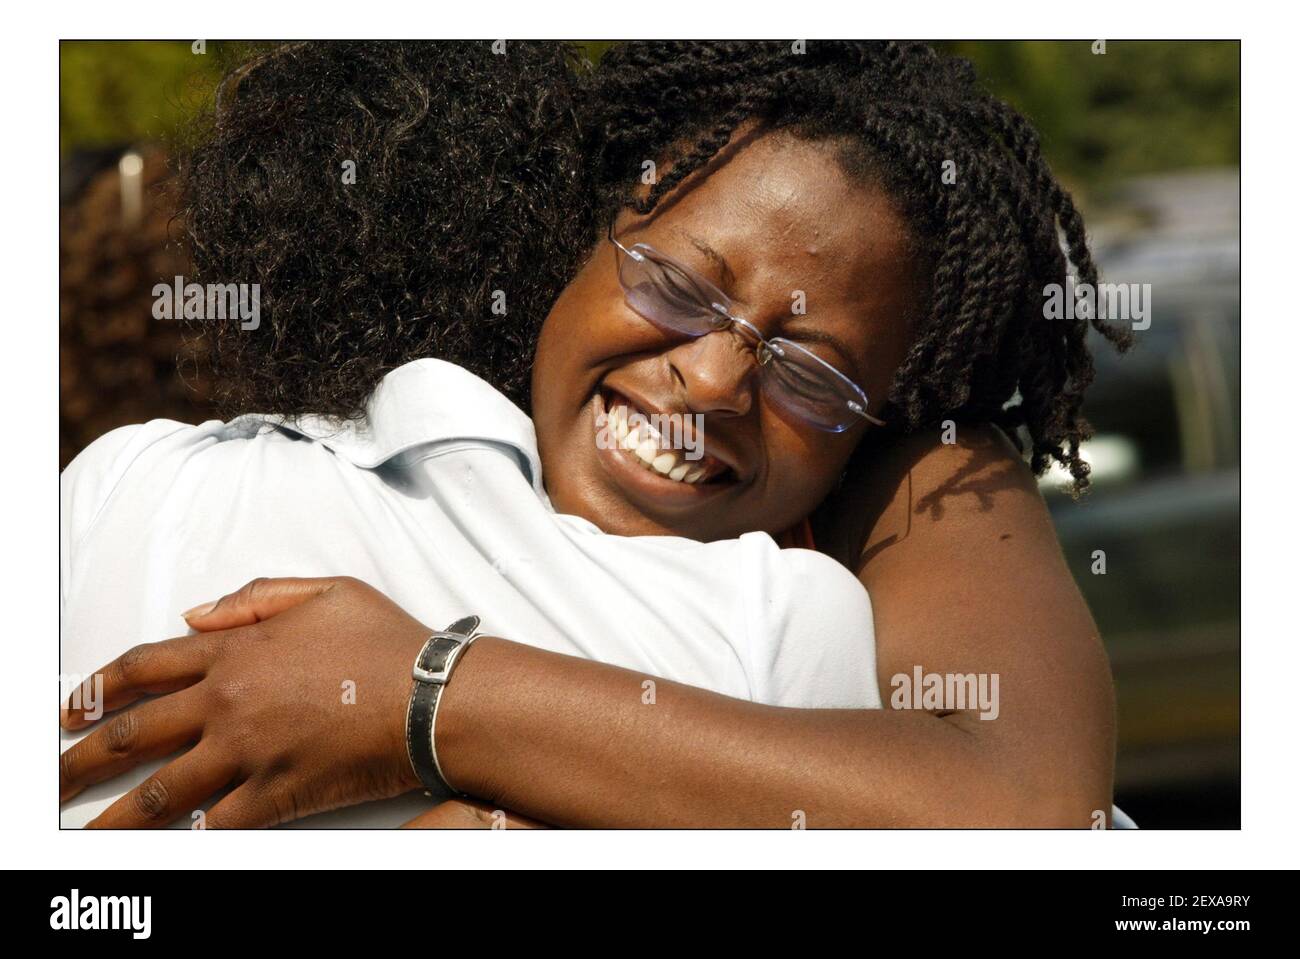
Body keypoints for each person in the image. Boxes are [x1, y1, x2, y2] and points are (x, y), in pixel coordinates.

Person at [61, 40, 1128, 827]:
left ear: (878, 430)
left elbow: (1023, 806)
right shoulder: (144, 491)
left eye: (815, 373)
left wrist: (429, 696)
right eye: (673, 283)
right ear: (572, 238)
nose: (714, 378)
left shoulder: (792, 618)